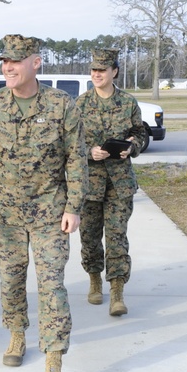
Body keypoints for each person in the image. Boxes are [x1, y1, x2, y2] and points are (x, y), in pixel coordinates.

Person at [0, 34, 88, 372]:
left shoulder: (62, 104)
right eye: (4, 61)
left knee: (51, 285)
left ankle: (54, 356)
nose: (8, 67)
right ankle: (17, 334)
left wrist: (74, 206)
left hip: (51, 211)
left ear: (36, 62)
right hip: (5, 214)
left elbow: (76, 159)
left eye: (15, 61)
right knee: (12, 281)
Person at [74, 48, 146, 317]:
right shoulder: (79, 105)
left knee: (117, 238)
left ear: (114, 72)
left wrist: (132, 147)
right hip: (90, 183)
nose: (96, 74)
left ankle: (117, 291)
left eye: (102, 70)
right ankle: (94, 281)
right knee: (90, 238)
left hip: (119, 183)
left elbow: (139, 133)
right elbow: (69, 143)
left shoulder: (128, 103)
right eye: (93, 70)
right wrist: (89, 151)